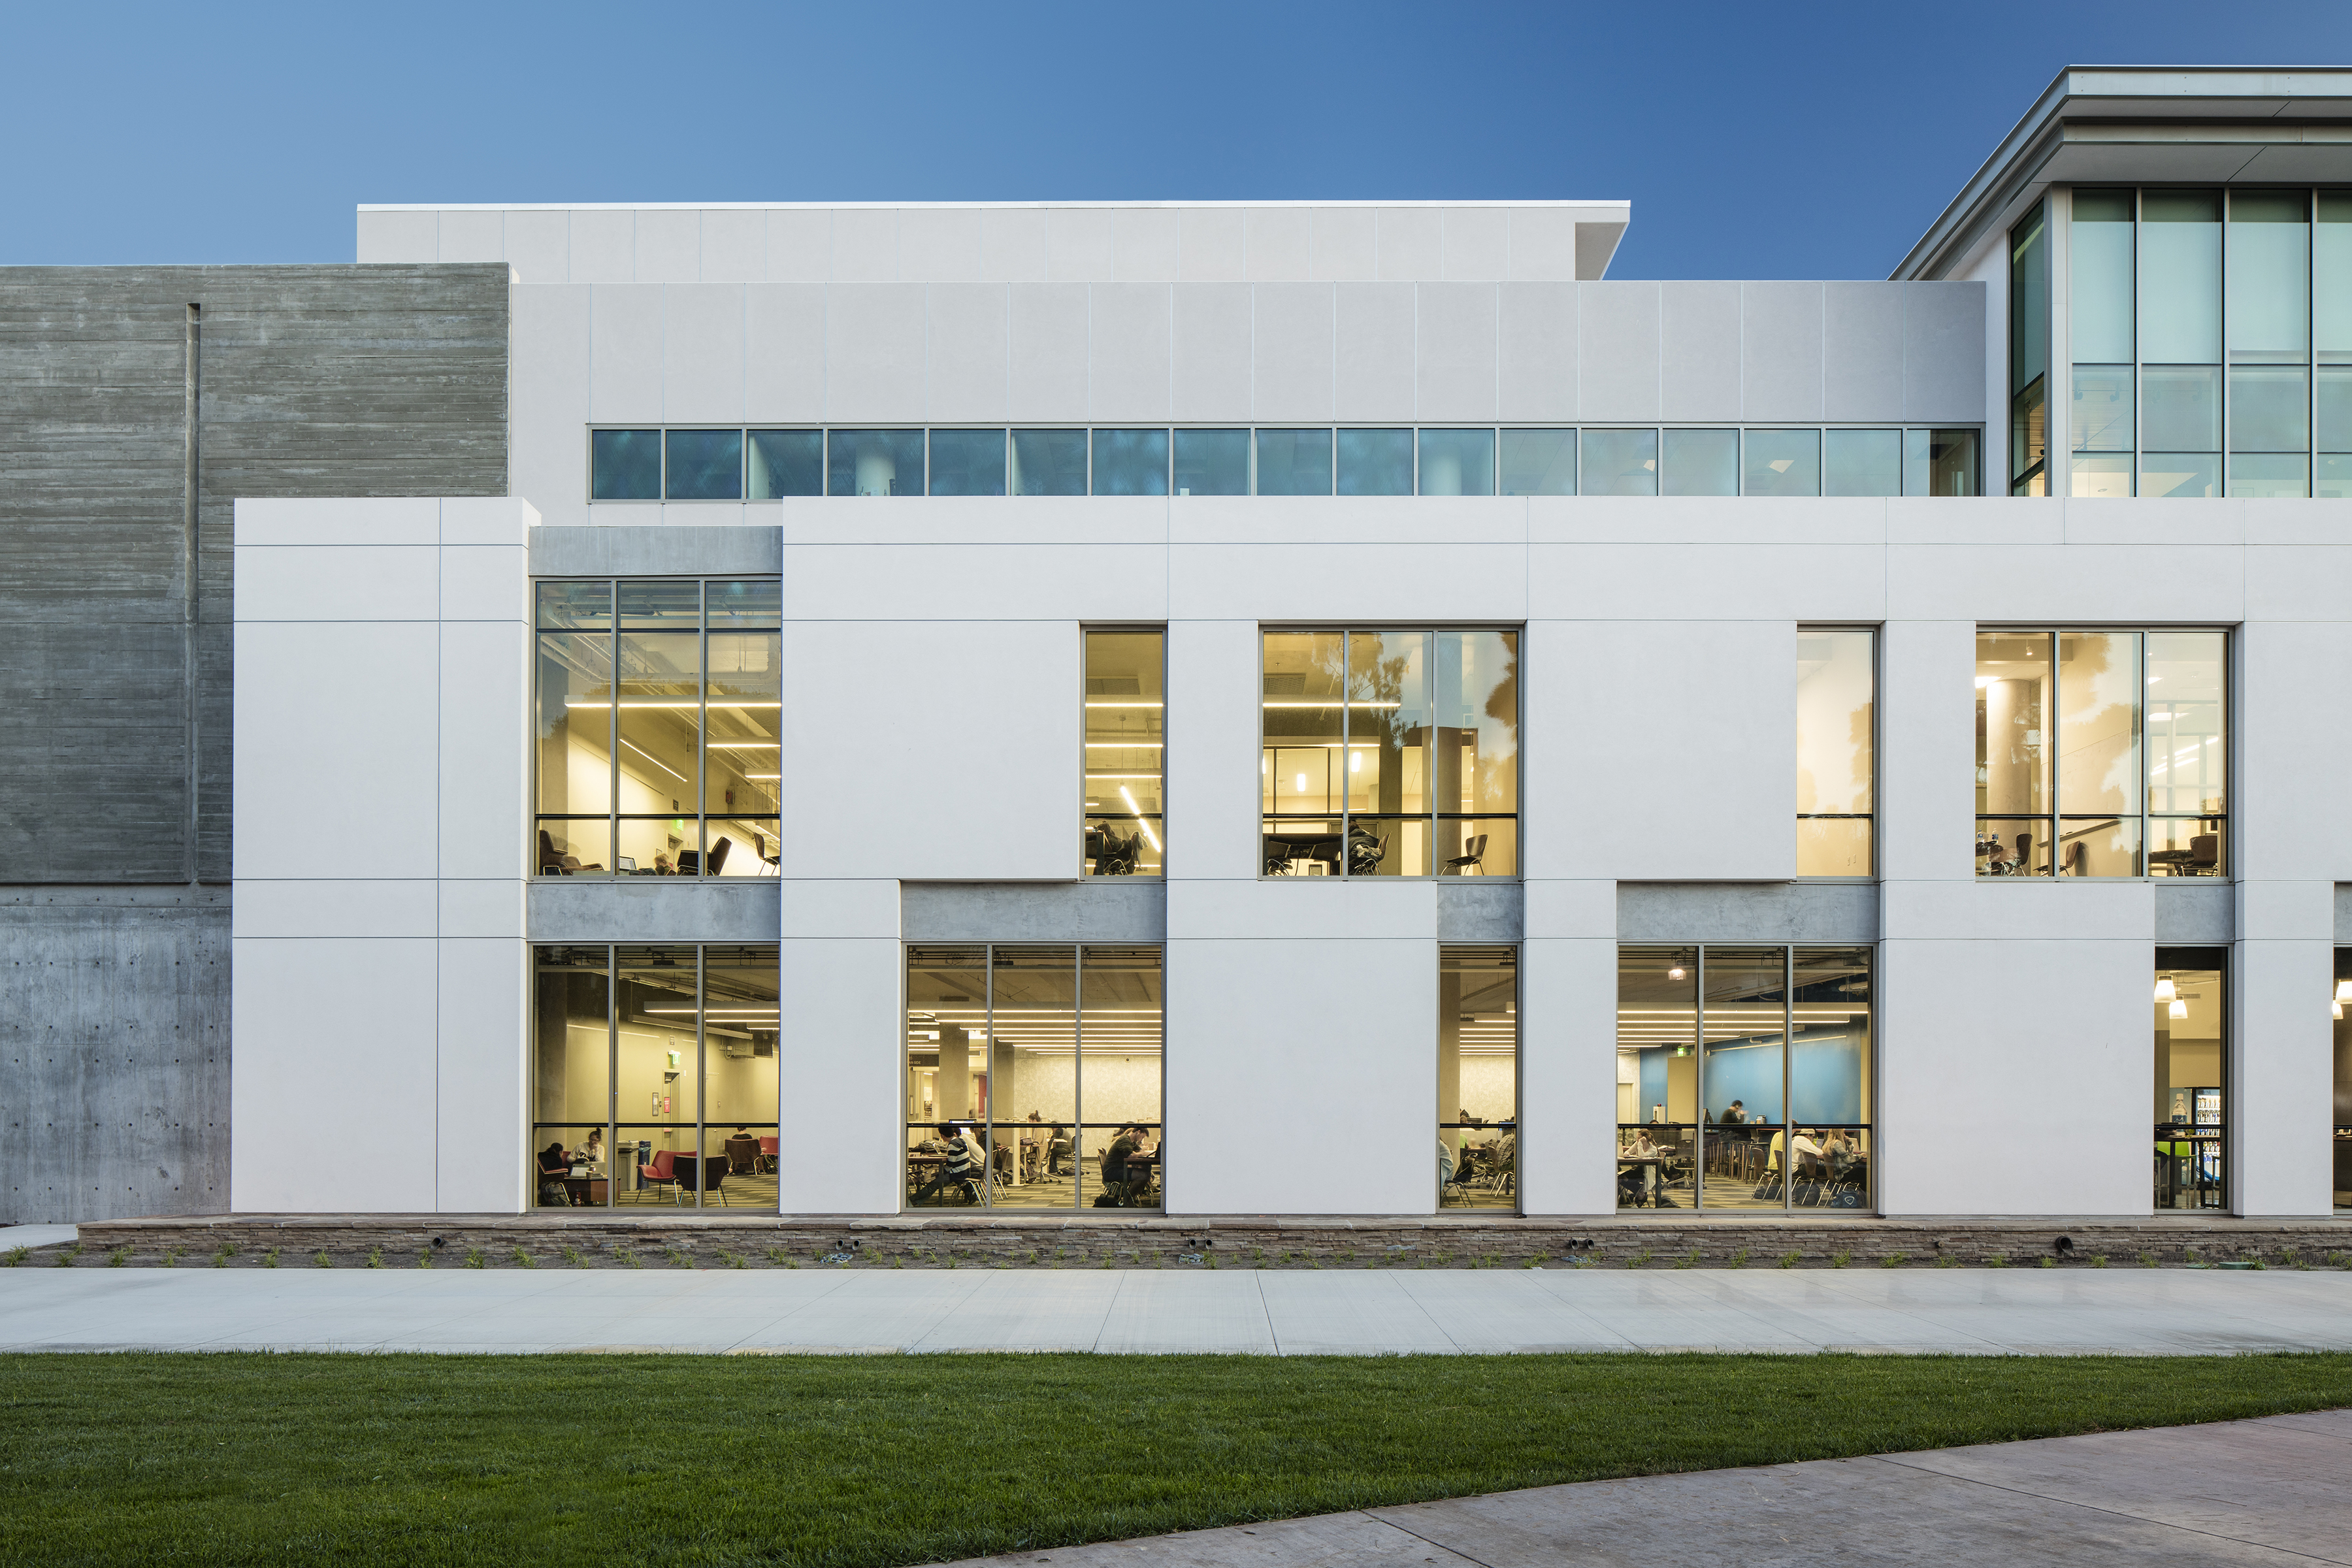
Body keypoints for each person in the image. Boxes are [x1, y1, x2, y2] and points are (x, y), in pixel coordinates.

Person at [913, 1122, 984, 1204]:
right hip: (965, 1171)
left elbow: (950, 1165)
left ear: (942, 1136)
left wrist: (940, 1173)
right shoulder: (960, 1141)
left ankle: (912, 1200)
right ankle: (917, 1202)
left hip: (958, 1174)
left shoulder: (953, 1145)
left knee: (934, 1184)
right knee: (936, 1181)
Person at [536, 1141, 572, 1206]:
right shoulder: (557, 1159)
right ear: (561, 1152)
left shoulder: (540, 1155)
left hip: (537, 1177)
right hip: (546, 1178)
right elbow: (556, 1171)